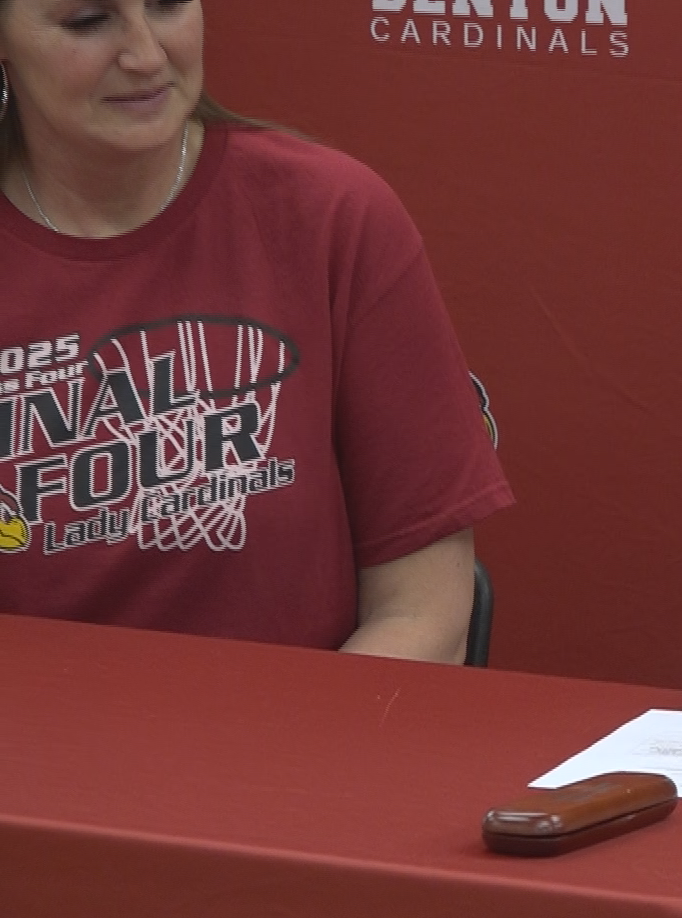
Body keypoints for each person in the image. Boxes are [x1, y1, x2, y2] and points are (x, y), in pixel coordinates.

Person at [0, 1, 512, 662]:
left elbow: (425, 612)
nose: (147, 55)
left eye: (167, 4)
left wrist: (286, 763)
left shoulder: (333, 218)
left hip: (305, 750)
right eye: (88, 20)